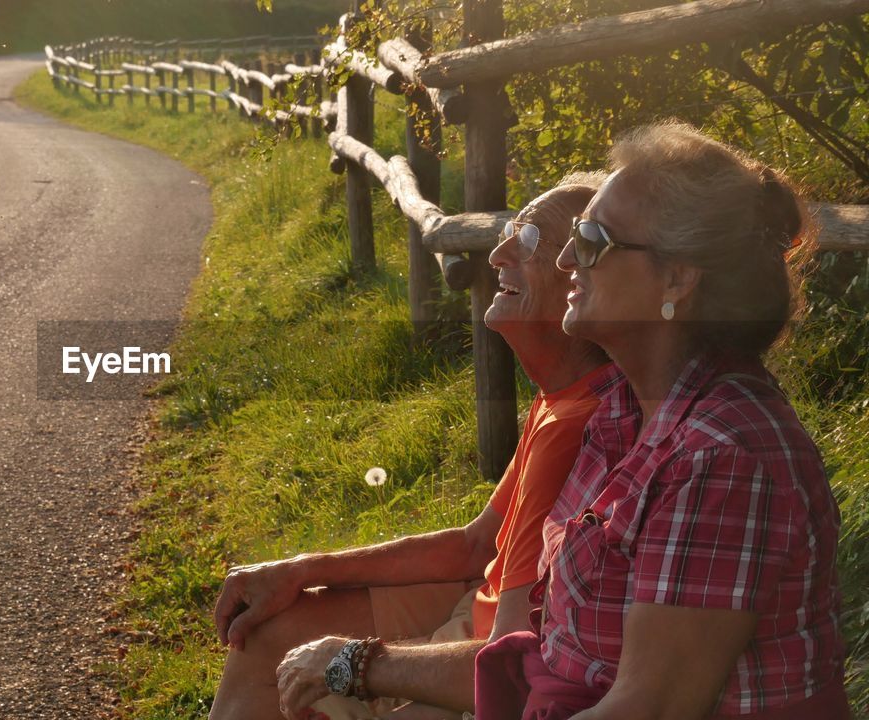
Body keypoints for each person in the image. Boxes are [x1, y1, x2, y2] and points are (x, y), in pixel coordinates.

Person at [474, 121, 850, 720]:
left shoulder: (723, 457)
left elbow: (649, 708)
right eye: (573, 235)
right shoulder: (626, 411)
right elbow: (559, 658)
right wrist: (357, 663)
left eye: (593, 240)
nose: (568, 259)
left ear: (677, 277)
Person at [208, 177, 616, 720]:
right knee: (268, 634)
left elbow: (511, 653)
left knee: (305, 687)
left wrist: (358, 664)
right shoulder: (558, 400)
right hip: (472, 605)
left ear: (580, 274)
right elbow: (474, 547)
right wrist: (302, 569)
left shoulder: (577, 423)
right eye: (510, 233)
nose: (496, 253)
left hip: (483, 651)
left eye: (529, 239)